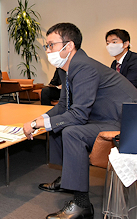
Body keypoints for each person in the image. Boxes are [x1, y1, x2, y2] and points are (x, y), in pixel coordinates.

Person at [23, 23, 137, 219]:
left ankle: (81, 204)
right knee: (59, 124)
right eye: (47, 46)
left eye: (51, 45)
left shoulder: (84, 67)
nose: (48, 50)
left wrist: (36, 125)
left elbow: (78, 115)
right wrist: (40, 118)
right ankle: (69, 177)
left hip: (125, 123)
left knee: (71, 131)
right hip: (104, 117)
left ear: (69, 46)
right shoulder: (65, 68)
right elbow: (64, 105)